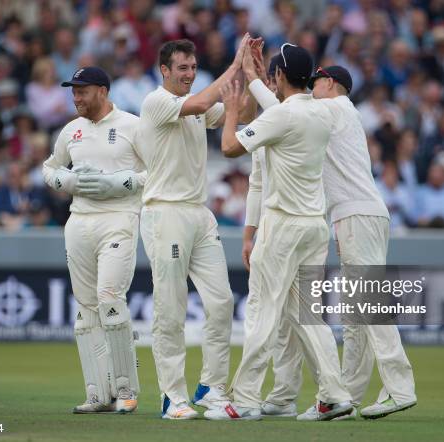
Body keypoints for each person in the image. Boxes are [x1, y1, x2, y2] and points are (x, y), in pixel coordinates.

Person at [243, 60, 418, 420]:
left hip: (357, 213)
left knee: (369, 303)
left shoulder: (335, 108)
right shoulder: (329, 111)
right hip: (352, 215)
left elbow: (284, 112)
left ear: (332, 84)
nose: (311, 86)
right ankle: (346, 397)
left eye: (318, 81)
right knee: (355, 316)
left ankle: (400, 388)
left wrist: (254, 80)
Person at [206, 43, 353, 421]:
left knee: (260, 311)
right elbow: (281, 112)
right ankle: (335, 394)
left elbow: (229, 148)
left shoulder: (283, 117)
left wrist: (233, 114)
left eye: (275, 76)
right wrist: (255, 76)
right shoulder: (320, 113)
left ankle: (246, 400)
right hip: (312, 229)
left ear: (282, 77)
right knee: (308, 316)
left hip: (284, 226)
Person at [138, 36, 255, 420]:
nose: (189, 74)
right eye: (182, 68)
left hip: (199, 213)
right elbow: (203, 103)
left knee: (221, 303)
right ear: (165, 71)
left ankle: (210, 388)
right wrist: (236, 64)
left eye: (192, 68)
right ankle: (173, 396)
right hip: (165, 212)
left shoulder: (197, 106)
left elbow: (244, 112)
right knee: (170, 308)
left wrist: (253, 73)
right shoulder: (157, 103)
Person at [42, 66, 146, 414]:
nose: (76, 97)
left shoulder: (133, 125)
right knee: (86, 312)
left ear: (102, 91)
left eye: (82, 91)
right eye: (73, 91)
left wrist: (120, 183)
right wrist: (65, 181)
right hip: (79, 221)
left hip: (119, 219)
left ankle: (126, 390)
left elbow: (158, 171)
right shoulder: (71, 130)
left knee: (110, 300)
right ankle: (98, 394)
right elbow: (50, 167)